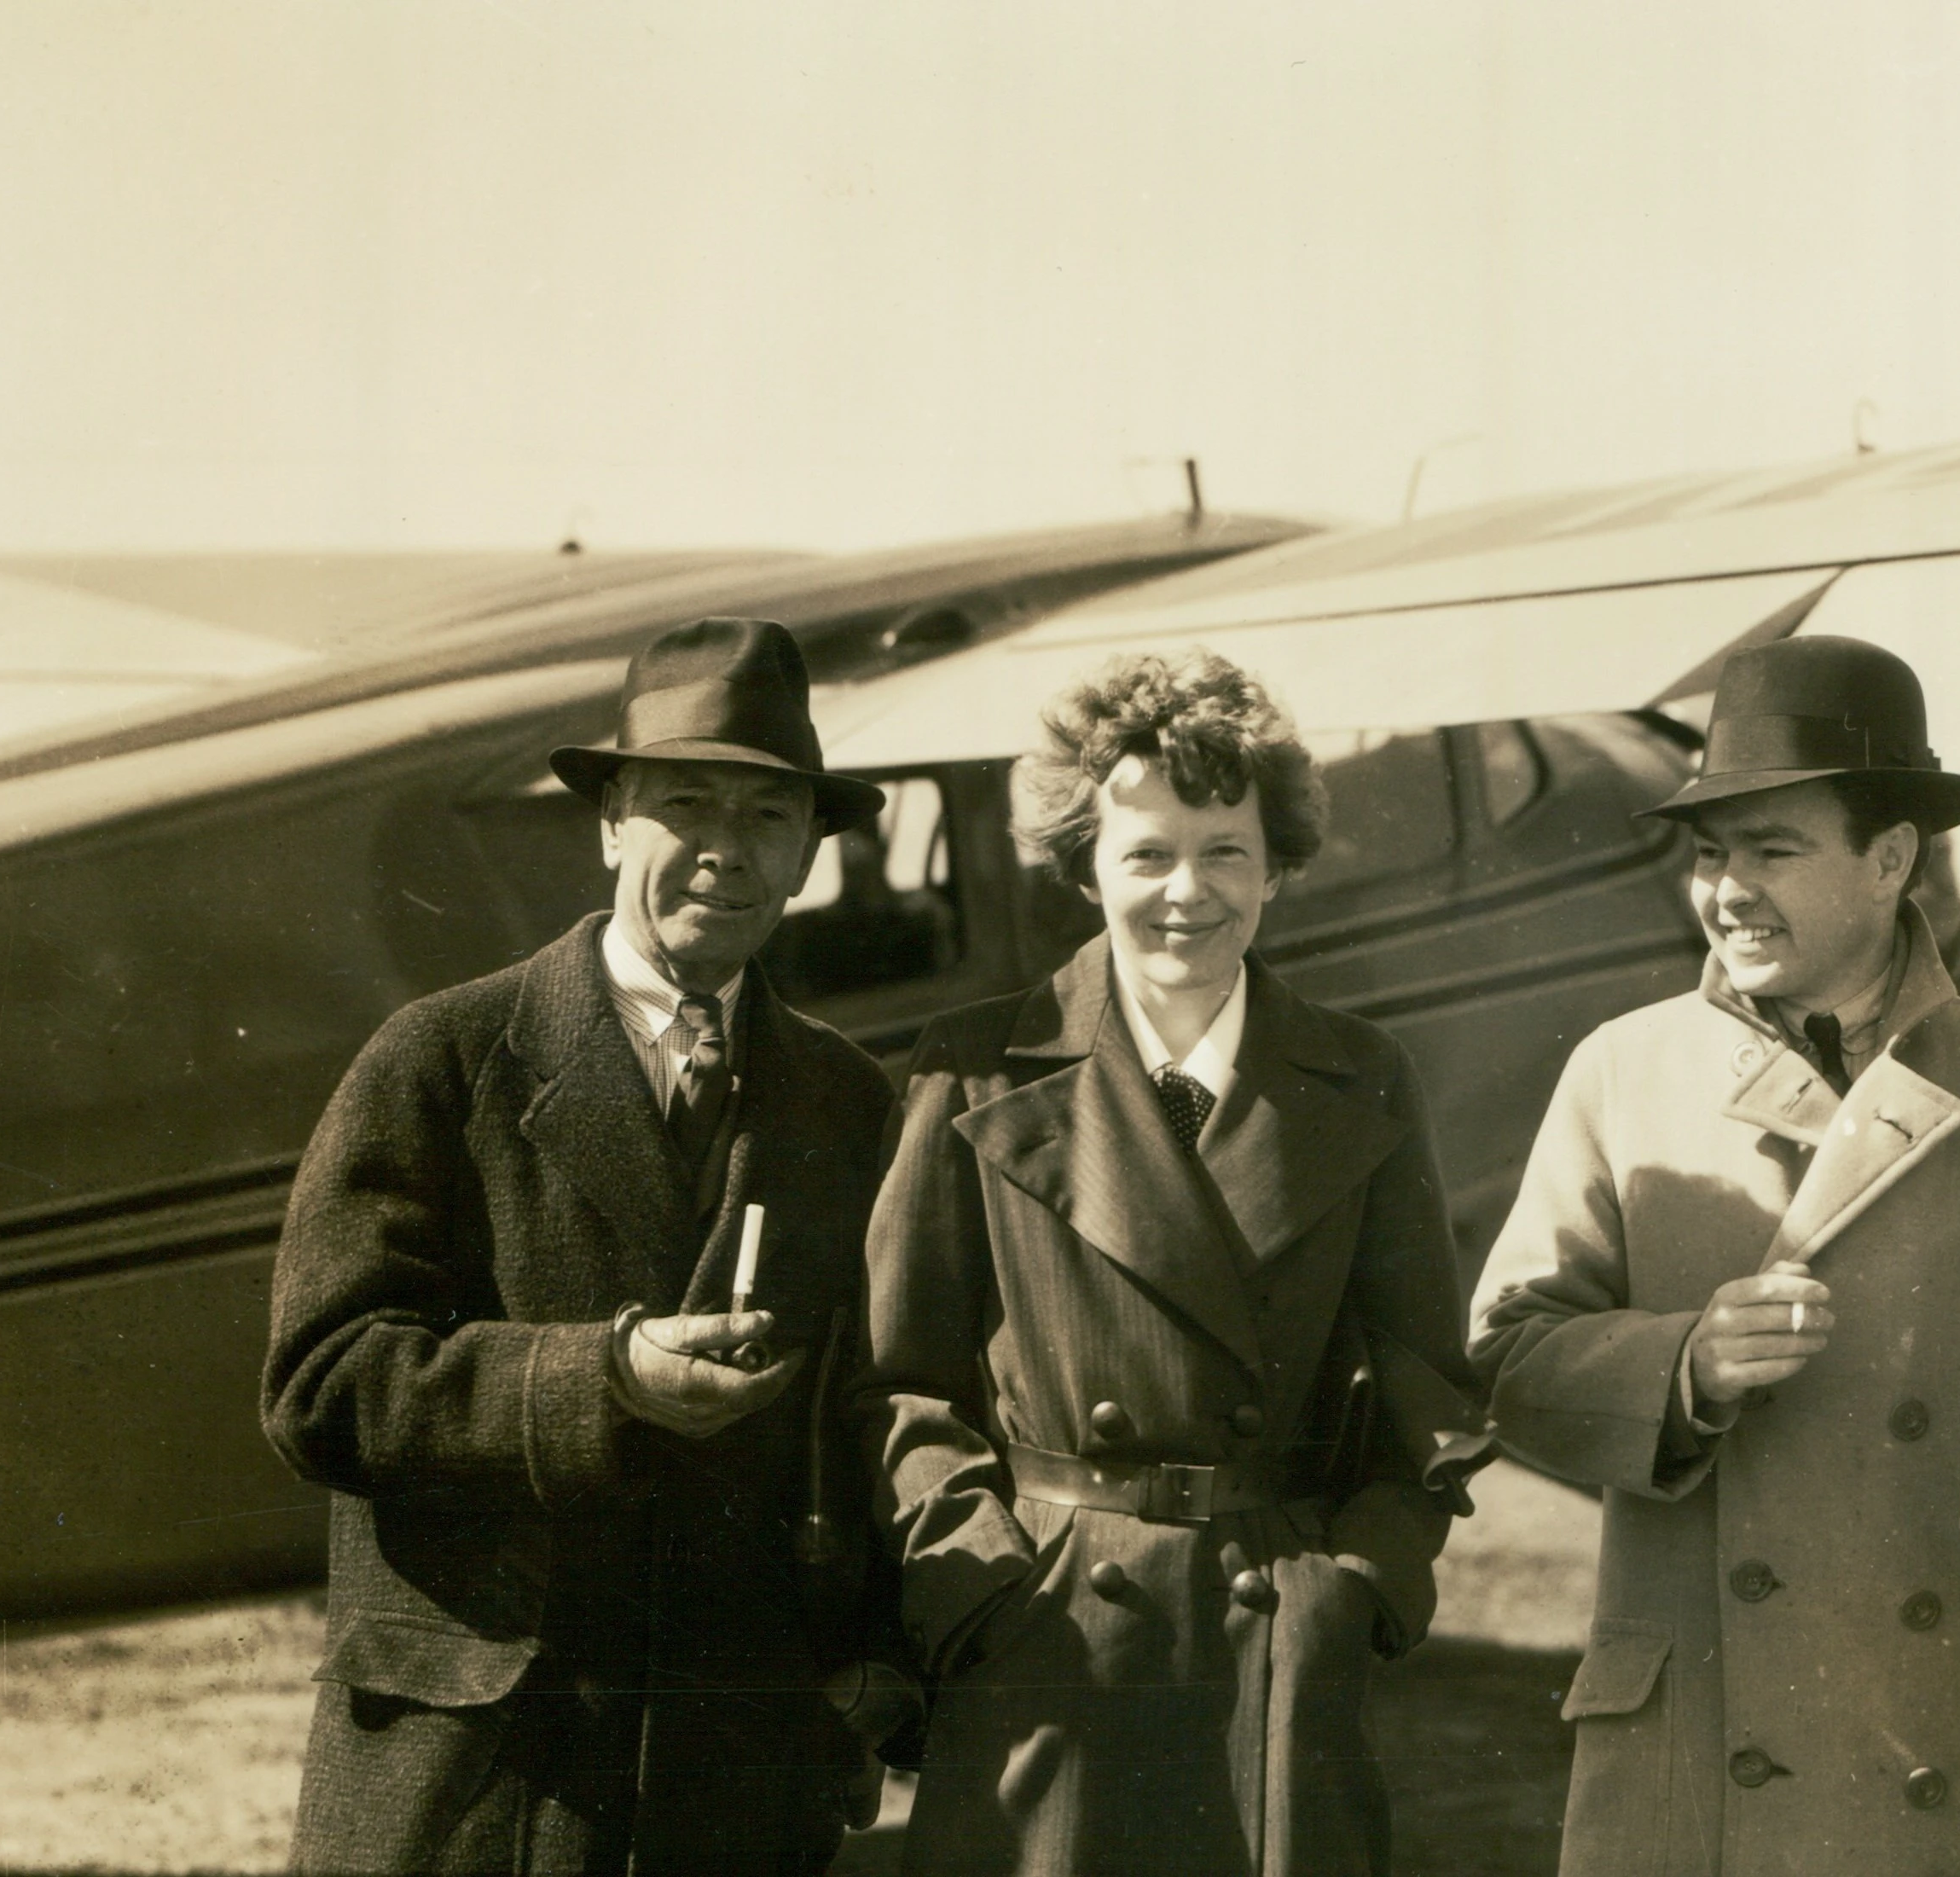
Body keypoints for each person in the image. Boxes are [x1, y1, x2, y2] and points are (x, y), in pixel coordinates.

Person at [262, 617, 912, 1874]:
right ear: (610, 820)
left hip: (727, 1787)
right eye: (684, 803)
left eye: (771, 817)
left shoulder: (846, 1099)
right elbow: (321, 1385)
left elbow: (867, 1409)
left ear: (811, 852)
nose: (726, 851)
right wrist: (602, 1378)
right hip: (484, 1773)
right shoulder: (441, 1057)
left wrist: (873, 1653)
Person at [1470, 634, 1960, 1877]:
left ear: (1890, 859)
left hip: (1945, 1733)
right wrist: (1682, 1367)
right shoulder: (1621, 1067)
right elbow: (1506, 1360)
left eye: (1772, 851)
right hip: (1697, 1751)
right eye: (1710, 854)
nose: (1726, 890)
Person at [854, 649, 1483, 1875]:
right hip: (1047, 1641)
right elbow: (895, 1384)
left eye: (1225, 851)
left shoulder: (1360, 1075)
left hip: (1274, 1649)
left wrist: (1355, 1588)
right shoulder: (975, 1066)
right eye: (1145, 853)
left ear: (1278, 866)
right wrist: (977, 1589)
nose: (1185, 891)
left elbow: (1427, 1391)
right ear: (1084, 866)